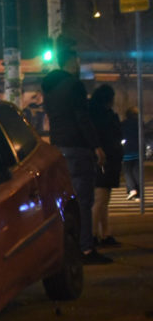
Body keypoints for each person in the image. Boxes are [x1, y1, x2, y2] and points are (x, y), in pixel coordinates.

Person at [41, 42, 111, 264]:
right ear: (70, 62)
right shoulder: (74, 86)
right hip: (78, 148)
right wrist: (96, 146)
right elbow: (82, 118)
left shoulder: (50, 89)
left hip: (59, 147)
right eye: (76, 61)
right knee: (84, 200)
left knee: (66, 200)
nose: (78, 64)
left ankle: (68, 246)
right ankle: (85, 249)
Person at [88, 85, 123, 247]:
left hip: (102, 159)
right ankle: (94, 235)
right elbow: (114, 136)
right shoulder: (106, 117)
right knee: (101, 199)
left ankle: (103, 233)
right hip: (105, 160)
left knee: (102, 199)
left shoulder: (93, 116)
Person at [121, 107, 143, 202]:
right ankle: (139, 194)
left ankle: (132, 189)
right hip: (138, 150)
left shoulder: (123, 124)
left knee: (127, 171)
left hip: (127, 150)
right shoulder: (139, 124)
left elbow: (120, 134)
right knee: (137, 172)